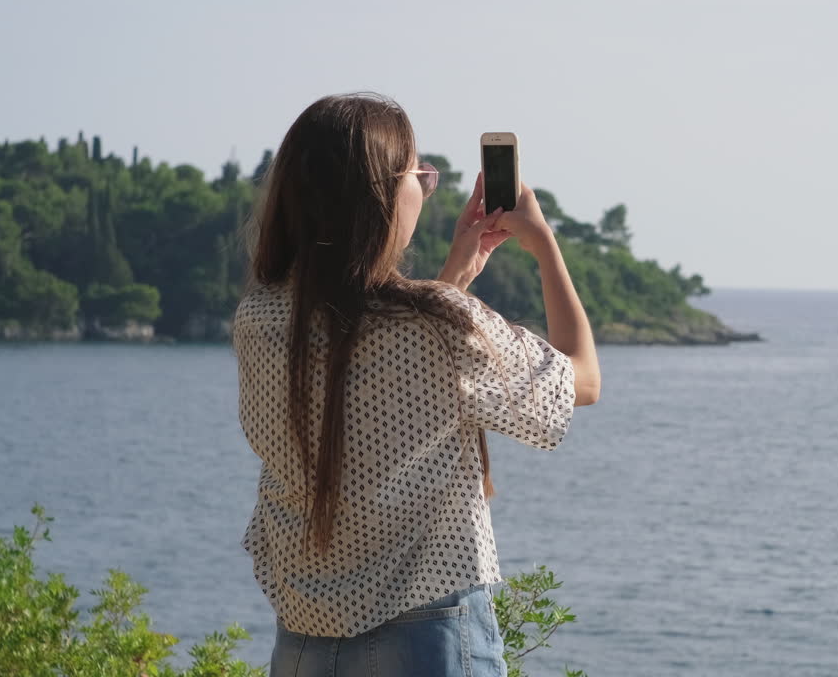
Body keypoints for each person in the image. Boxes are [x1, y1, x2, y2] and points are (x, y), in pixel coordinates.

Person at [232, 92, 601, 677]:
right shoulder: (438, 327)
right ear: (377, 196)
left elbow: (365, 370)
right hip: (429, 639)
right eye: (417, 174)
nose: (426, 188)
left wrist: (455, 275)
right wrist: (543, 246)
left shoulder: (260, 319)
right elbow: (580, 378)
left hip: (302, 641)